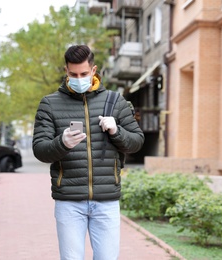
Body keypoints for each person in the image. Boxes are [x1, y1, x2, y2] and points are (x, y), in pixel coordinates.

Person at [32, 44, 144, 260]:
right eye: (73, 74)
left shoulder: (116, 101)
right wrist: (62, 142)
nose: (78, 78)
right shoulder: (49, 104)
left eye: (83, 73)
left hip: (107, 199)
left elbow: (137, 142)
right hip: (69, 201)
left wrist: (116, 131)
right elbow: (40, 150)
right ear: (66, 71)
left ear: (93, 70)